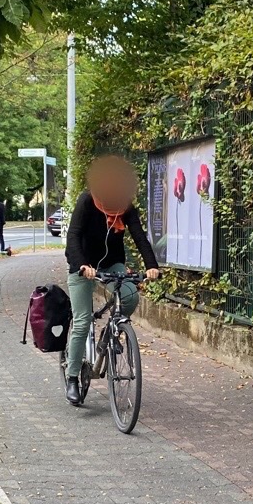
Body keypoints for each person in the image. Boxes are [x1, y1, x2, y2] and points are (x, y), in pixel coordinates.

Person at [64, 155, 161, 406]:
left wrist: (151, 266)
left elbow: (139, 236)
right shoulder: (87, 201)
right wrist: (82, 265)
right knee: (83, 321)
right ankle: (72, 377)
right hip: (83, 265)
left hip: (111, 263)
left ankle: (112, 333)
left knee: (129, 296)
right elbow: (73, 236)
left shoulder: (125, 206)